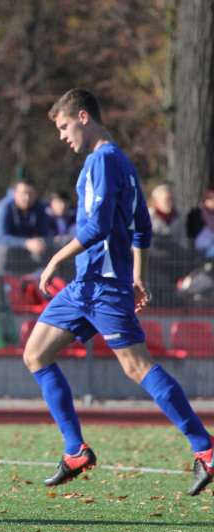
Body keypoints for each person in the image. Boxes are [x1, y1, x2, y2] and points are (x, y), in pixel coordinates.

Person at [24, 88, 212, 493]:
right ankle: (75, 450)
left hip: (103, 285)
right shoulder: (122, 161)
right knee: (36, 354)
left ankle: (205, 448)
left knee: (137, 366)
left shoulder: (102, 161)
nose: (63, 136)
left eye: (64, 126)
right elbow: (141, 226)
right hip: (87, 285)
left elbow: (98, 227)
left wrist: (55, 259)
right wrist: (138, 276)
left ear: (84, 117)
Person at [0, 179, 54, 274]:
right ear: (15, 194)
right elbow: (1, 237)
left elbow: (43, 234)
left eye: (31, 194)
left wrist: (39, 242)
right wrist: (26, 243)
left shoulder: (40, 208)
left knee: (48, 252)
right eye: (23, 193)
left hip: (25, 253)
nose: (27, 198)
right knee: (5, 253)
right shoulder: (4, 207)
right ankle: (3, 282)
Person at [186, 186, 214, 259]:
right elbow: (190, 232)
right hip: (198, 250)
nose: (213, 201)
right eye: (210, 198)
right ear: (205, 199)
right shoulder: (195, 213)